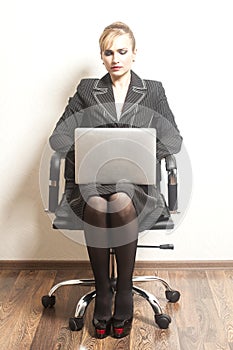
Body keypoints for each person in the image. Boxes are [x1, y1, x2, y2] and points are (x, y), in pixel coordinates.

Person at [49, 21, 182, 339]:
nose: (115, 58)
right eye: (108, 52)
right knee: (96, 201)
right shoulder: (86, 91)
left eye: (122, 51)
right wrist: (87, 140)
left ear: (135, 53)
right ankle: (103, 293)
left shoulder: (153, 91)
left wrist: (146, 148)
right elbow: (59, 138)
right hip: (91, 181)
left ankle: (123, 291)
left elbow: (173, 141)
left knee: (122, 197)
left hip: (137, 186)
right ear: (102, 56)